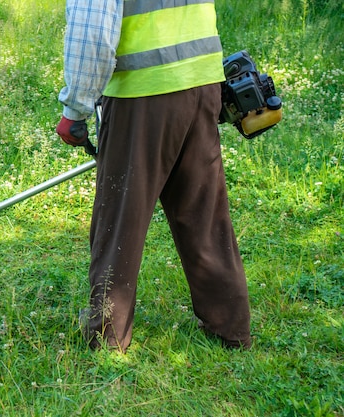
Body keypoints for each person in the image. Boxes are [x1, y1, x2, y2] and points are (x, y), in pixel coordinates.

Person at [56, 0, 252, 351]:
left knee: (120, 217)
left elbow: (93, 34)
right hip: (202, 83)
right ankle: (231, 327)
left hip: (142, 94)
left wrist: (76, 108)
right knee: (204, 211)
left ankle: (108, 336)